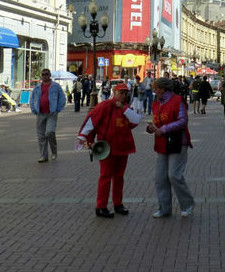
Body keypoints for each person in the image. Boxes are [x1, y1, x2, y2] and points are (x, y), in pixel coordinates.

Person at [77, 83, 142, 218]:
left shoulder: (125, 108)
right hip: (107, 148)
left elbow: (136, 120)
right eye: (121, 93)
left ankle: (118, 204)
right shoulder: (105, 106)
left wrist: (124, 108)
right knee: (105, 177)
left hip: (123, 147)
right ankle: (101, 206)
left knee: (119, 177)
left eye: (125, 93)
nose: (123, 95)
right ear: (114, 92)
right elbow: (91, 121)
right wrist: (84, 138)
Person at [146, 77, 194, 218]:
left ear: (162, 89)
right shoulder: (156, 104)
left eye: (155, 88)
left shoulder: (178, 101)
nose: (154, 91)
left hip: (178, 142)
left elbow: (183, 121)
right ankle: (164, 208)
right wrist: (151, 128)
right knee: (160, 177)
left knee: (174, 175)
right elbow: (156, 121)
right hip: (161, 143)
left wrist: (164, 129)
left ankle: (187, 204)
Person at [30, 69, 66, 162]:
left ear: (50, 75)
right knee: (41, 136)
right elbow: (32, 98)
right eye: (43, 74)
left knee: (49, 132)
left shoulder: (55, 86)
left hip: (51, 113)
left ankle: (54, 151)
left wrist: (58, 109)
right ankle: (43, 156)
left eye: (46, 74)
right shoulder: (37, 87)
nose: (45, 76)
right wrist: (34, 109)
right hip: (40, 113)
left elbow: (62, 98)